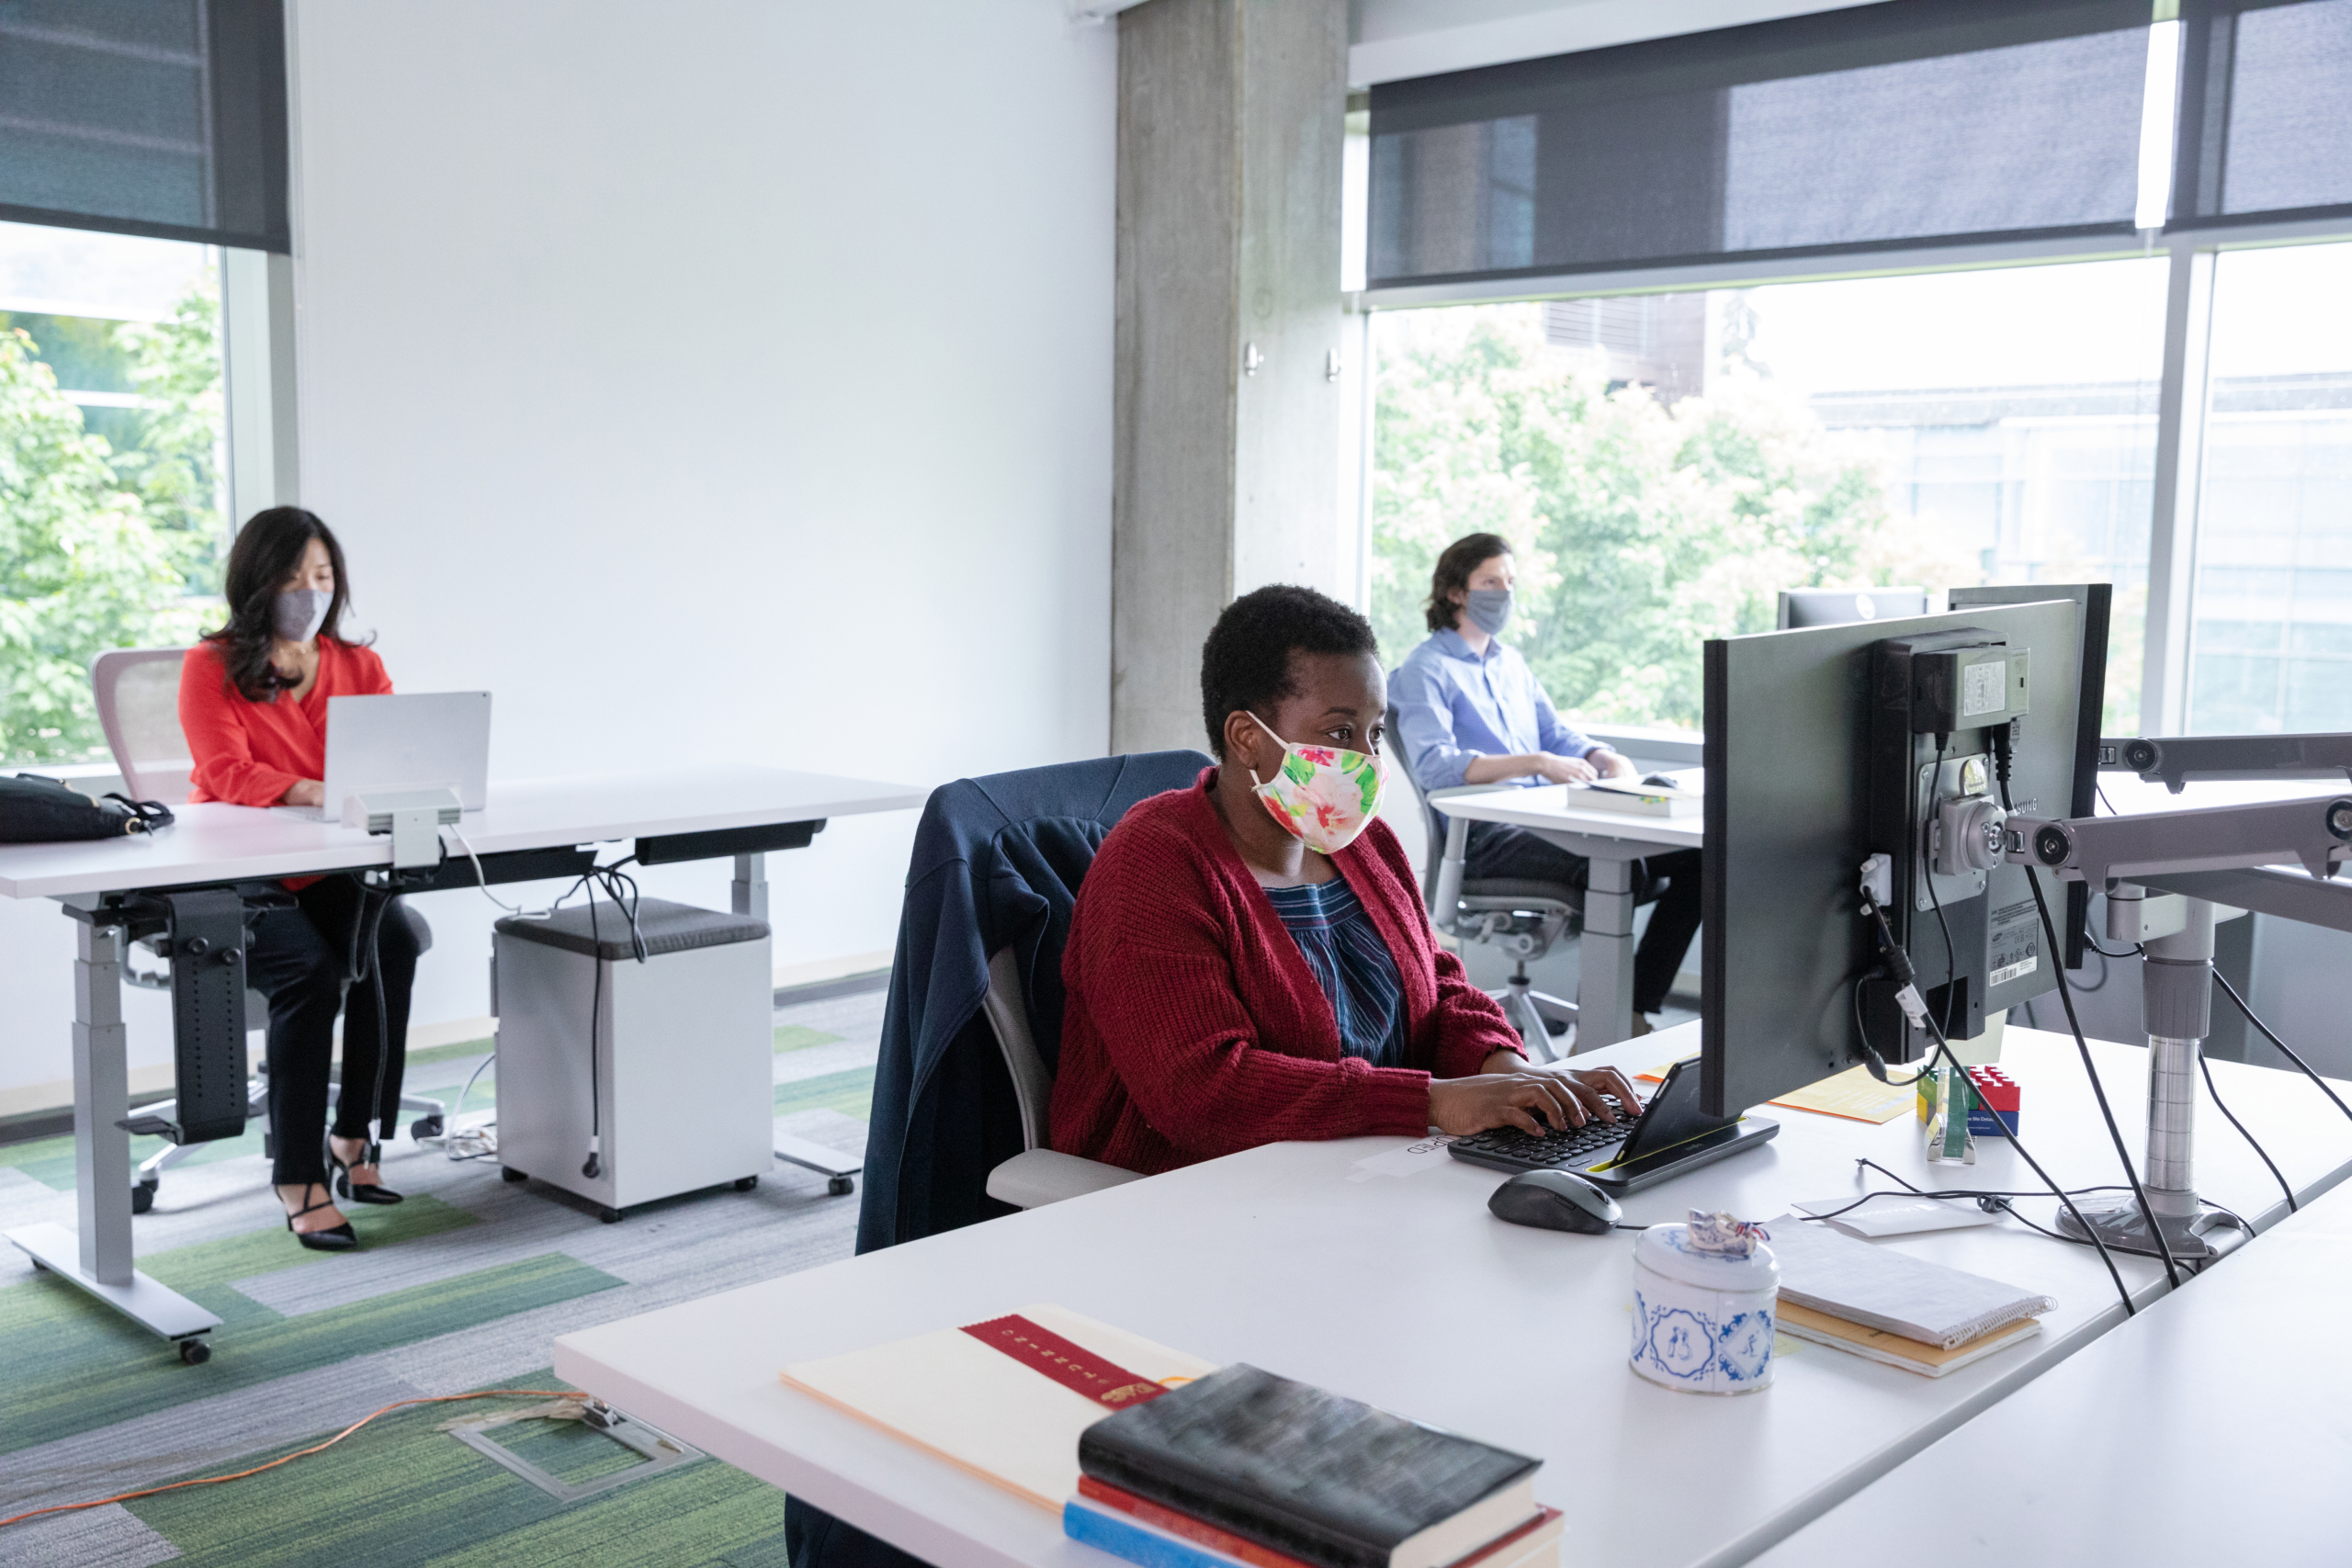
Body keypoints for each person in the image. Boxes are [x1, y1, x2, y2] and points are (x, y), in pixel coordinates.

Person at [1050, 583, 1639, 1175]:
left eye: (1375, 733)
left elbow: (1440, 988)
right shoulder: (1154, 863)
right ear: (1247, 738)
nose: (1367, 759)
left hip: (1365, 1171)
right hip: (1187, 1195)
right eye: (1339, 732)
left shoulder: (1363, 843)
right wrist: (1433, 1101)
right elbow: (1203, 1093)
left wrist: (1508, 1071)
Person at [179, 506, 422, 1252]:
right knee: (311, 973)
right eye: (292, 577)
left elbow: (386, 759)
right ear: (256, 584)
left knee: (396, 943)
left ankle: (355, 1134)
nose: (309, 591)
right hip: (239, 866)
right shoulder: (211, 665)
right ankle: (298, 1175)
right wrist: (308, 789)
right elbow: (223, 771)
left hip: (327, 862)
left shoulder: (357, 665)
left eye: (322, 576)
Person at [1390, 532, 1702, 1035]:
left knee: (1697, 860)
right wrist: (1533, 762)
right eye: (1491, 581)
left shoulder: (1511, 663)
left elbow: (1557, 732)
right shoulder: (1425, 669)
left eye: (1510, 581)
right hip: (1488, 836)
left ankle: (1629, 1006)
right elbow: (1434, 765)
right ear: (1456, 592)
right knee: (1623, 862)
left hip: (1546, 818)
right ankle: (1604, 1019)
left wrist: (1602, 755)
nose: (1505, 593)